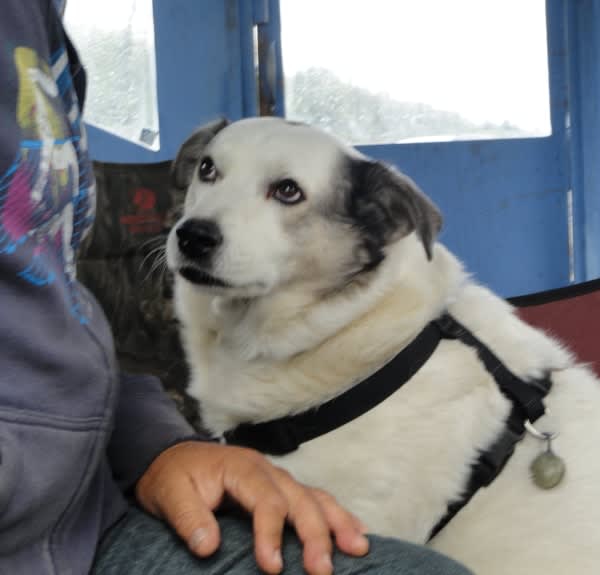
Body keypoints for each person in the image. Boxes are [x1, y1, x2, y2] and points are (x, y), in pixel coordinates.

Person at [0, 2, 474, 574]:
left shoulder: (42, 33)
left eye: (286, 193)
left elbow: (46, 329)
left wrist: (158, 448)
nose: (209, 219)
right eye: (210, 172)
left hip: (86, 510)